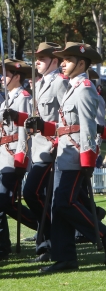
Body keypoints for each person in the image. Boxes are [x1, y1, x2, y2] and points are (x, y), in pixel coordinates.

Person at [28, 42, 106, 273]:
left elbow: (89, 127)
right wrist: (43, 127)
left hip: (77, 156)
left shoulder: (85, 88)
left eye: (68, 60)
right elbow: (66, 126)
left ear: (81, 63)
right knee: (58, 207)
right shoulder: (72, 87)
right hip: (64, 153)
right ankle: (65, 258)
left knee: (64, 203)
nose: (63, 64)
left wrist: (88, 159)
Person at [20, 43, 70, 263]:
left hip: (52, 149)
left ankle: (51, 238)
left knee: (32, 193)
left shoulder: (60, 82)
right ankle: (46, 243)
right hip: (37, 149)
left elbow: (67, 118)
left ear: (54, 61)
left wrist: (57, 139)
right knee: (42, 197)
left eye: (41, 58)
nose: (37, 62)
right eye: (36, 58)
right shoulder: (39, 84)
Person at [0, 59, 39, 260]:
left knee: (5, 201)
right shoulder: (6, 100)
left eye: (5, 75)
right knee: (3, 202)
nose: (1, 78)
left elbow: (25, 129)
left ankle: (44, 226)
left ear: (16, 76)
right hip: (3, 155)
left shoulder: (23, 97)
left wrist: (21, 156)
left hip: (13, 154)